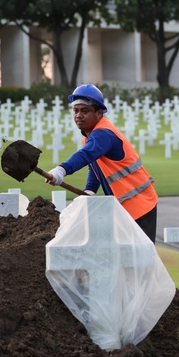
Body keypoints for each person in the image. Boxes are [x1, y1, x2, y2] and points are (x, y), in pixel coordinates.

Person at [45, 84, 159, 242]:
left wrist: (62, 170)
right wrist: (90, 189)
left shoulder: (103, 134)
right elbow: (96, 165)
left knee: (140, 255)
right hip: (127, 206)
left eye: (85, 111)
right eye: (75, 110)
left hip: (139, 205)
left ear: (99, 113)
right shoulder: (90, 136)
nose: (78, 115)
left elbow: (85, 155)